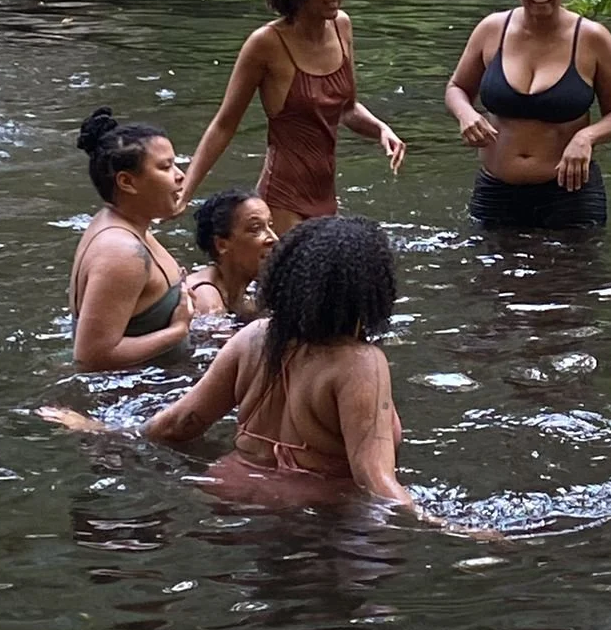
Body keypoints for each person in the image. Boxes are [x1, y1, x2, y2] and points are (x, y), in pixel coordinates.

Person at [47, 216, 413, 511]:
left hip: (229, 494)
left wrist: (98, 429)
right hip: (308, 521)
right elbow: (376, 483)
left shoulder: (254, 336)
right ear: (372, 293)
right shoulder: (361, 363)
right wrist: (450, 529)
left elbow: (177, 424)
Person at [180, 0, 406, 235]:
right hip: (282, 203)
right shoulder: (266, 44)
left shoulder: (342, 27)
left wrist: (381, 129)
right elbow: (224, 124)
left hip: (327, 201)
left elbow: (346, 108)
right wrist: (185, 192)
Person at [443, 0, 611, 229]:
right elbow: (456, 88)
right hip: (496, 190)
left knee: (572, 276)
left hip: (570, 194)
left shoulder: (593, 38)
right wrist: (466, 114)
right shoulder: (491, 30)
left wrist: (586, 137)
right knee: (487, 275)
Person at [70, 108, 192, 370]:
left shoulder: (130, 225)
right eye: (165, 167)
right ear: (127, 182)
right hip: (133, 399)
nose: (180, 174)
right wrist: (178, 331)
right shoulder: (121, 252)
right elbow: (90, 357)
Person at [186, 189, 278, 318]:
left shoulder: (243, 297)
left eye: (271, 225)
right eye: (256, 228)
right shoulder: (207, 299)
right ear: (222, 245)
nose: (273, 238)